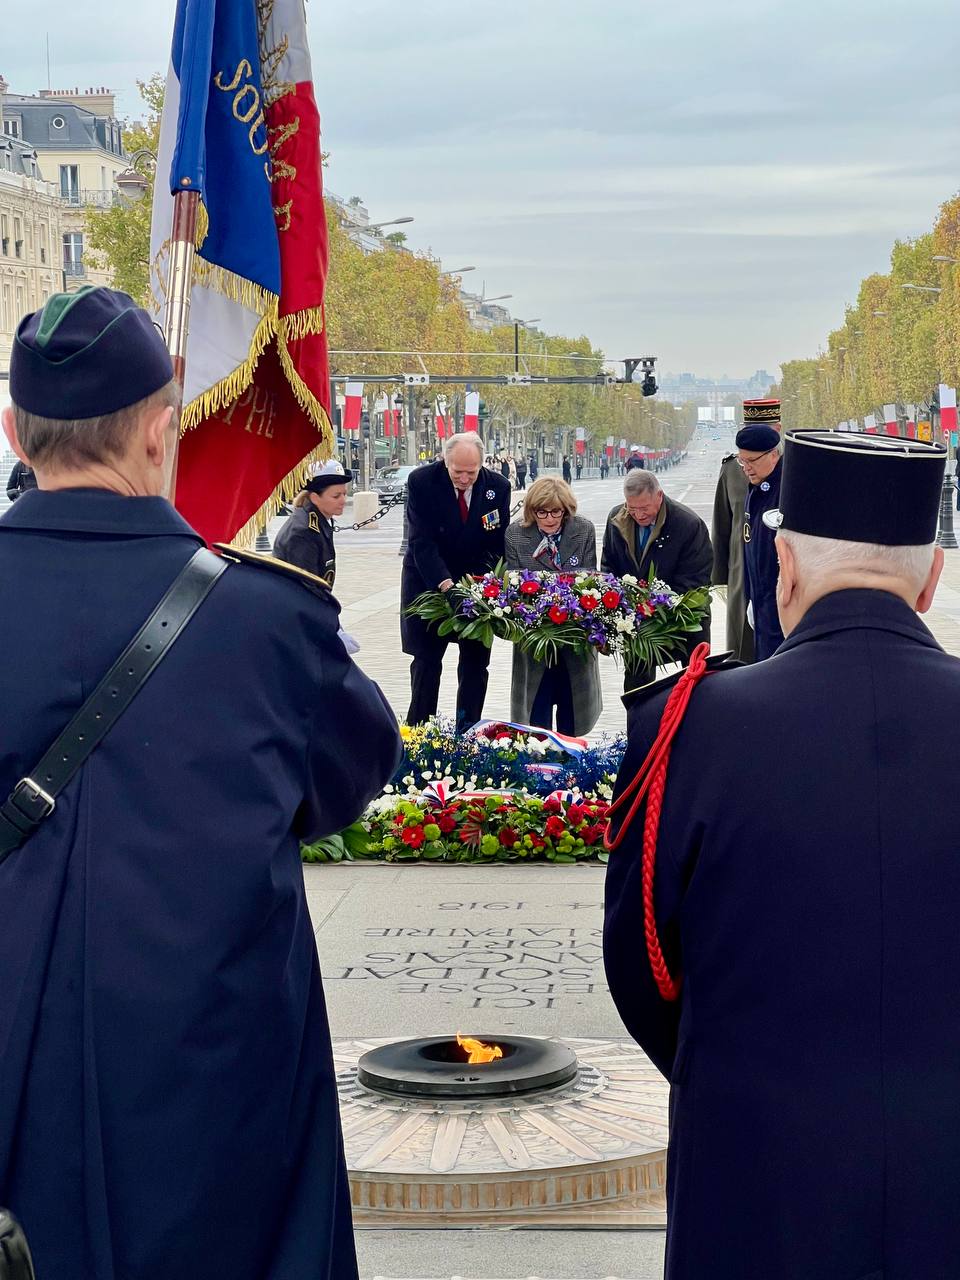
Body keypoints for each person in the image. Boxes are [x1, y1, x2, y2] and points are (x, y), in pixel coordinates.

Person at [0, 287, 401, 1280]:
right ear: (158, 429)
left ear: (14, 431)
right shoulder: (267, 619)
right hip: (213, 1088)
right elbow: (350, 775)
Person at [603, 429, 956, 1280]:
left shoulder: (691, 725)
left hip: (753, 1157)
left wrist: (734, 1065)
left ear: (784, 568)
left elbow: (643, 966)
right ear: (932, 580)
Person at [401, 432, 511, 726]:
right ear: (445, 461)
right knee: (426, 663)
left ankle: (468, 730)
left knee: (476, 665)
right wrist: (446, 585)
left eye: (471, 472)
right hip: (429, 581)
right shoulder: (422, 482)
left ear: (482, 463)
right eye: (457, 471)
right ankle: (420, 732)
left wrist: (479, 587)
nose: (464, 479)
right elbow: (421, 542)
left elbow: (496, 545)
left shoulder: (498, 487)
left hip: (476, 587)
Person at [504, 476, 601, 735]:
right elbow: (513, 585)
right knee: (537, 720)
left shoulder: (583, 530)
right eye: (542, 512)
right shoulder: (516, 534)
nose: (549, 518)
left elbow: (589, 580)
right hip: (535, 639)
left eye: (556, 511)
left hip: (573, 635)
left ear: (566, 510)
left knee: (573, 719)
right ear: (531, 511)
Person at [601, 469, 712, 687]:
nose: (639, 515)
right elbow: (608, 566)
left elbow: (696, 581)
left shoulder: (688, 524)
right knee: (637, 687)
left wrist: (654, 607)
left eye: (644, 508)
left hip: (683, 620)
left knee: (692, 686)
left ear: (659, 495)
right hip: (636, 625)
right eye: (632, 508)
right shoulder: (617, 519)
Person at [712, 398, 781, 662]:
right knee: (741, 645)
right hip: (741, 567)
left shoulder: (793, 468)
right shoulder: (732, 469)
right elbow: (722, 524)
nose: (747, 465)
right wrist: (720, 576)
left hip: (778, 568)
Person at [737, 421, 785, 659]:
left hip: (784, 606)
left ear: (773, 454)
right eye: (742, 461)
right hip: (761, 601)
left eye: (752, 461)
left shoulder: (787, 490)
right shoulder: (756, 489)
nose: (746, 468)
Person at [272, 459, 350, 587]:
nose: (343, 500)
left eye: (344, 494)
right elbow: (306, 588)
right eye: (336, 496)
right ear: (315, 498)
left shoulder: (315, 521)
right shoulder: (303, 533)